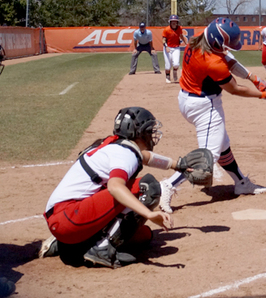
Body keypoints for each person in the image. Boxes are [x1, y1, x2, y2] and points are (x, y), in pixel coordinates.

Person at [159, 17, 266, 213]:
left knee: (222, 144)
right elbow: (235, 89)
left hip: (187, 99)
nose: (228, 49)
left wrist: (252, 77)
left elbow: (229, 59)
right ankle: (168, 186)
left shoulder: (198, 40)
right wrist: (263, 95)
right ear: (216, 42)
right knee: (208, 157)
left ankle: (240, 182)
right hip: (206, 106)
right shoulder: (213, 63)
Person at [40, 107, 175, 268]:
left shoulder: (110, 144)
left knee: (143, 235)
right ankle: (102, 247)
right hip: (70, 217)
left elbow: (145, 157)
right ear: (138, 132)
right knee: (147, 186)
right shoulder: (126, 154)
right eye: (148, 130)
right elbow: (114, 187)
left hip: (63, 219)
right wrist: (149, 214)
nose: (151, 134)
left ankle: (68, 246)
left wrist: (178, 165)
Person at [162, 14, 188, 84]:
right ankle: (168, 77)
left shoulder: (179, 28)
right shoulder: (166, 29)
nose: (174, 23)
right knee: (168, 66)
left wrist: (186, 43)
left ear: (177, 22)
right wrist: (166, 47)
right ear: (170, 22)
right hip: (168, 47)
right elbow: (163, 39)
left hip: (176, 47)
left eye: (175, 21)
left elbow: (181, 35)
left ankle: (175, 72)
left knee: (176, 64)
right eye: (172, 21)